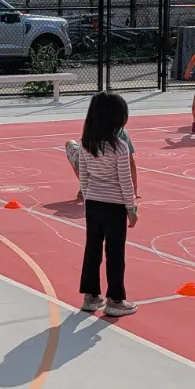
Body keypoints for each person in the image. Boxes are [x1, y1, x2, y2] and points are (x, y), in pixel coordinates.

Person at [75, 90, 138, 317]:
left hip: (93, 203)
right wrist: (131, 208)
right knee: (115, 252)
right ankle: (115, 300)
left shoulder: (86, 144)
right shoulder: (119, 147)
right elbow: (125, 181)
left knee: (92, 249)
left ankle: (90, 296)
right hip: (114, 206)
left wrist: (87, 196)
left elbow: (84, 176)